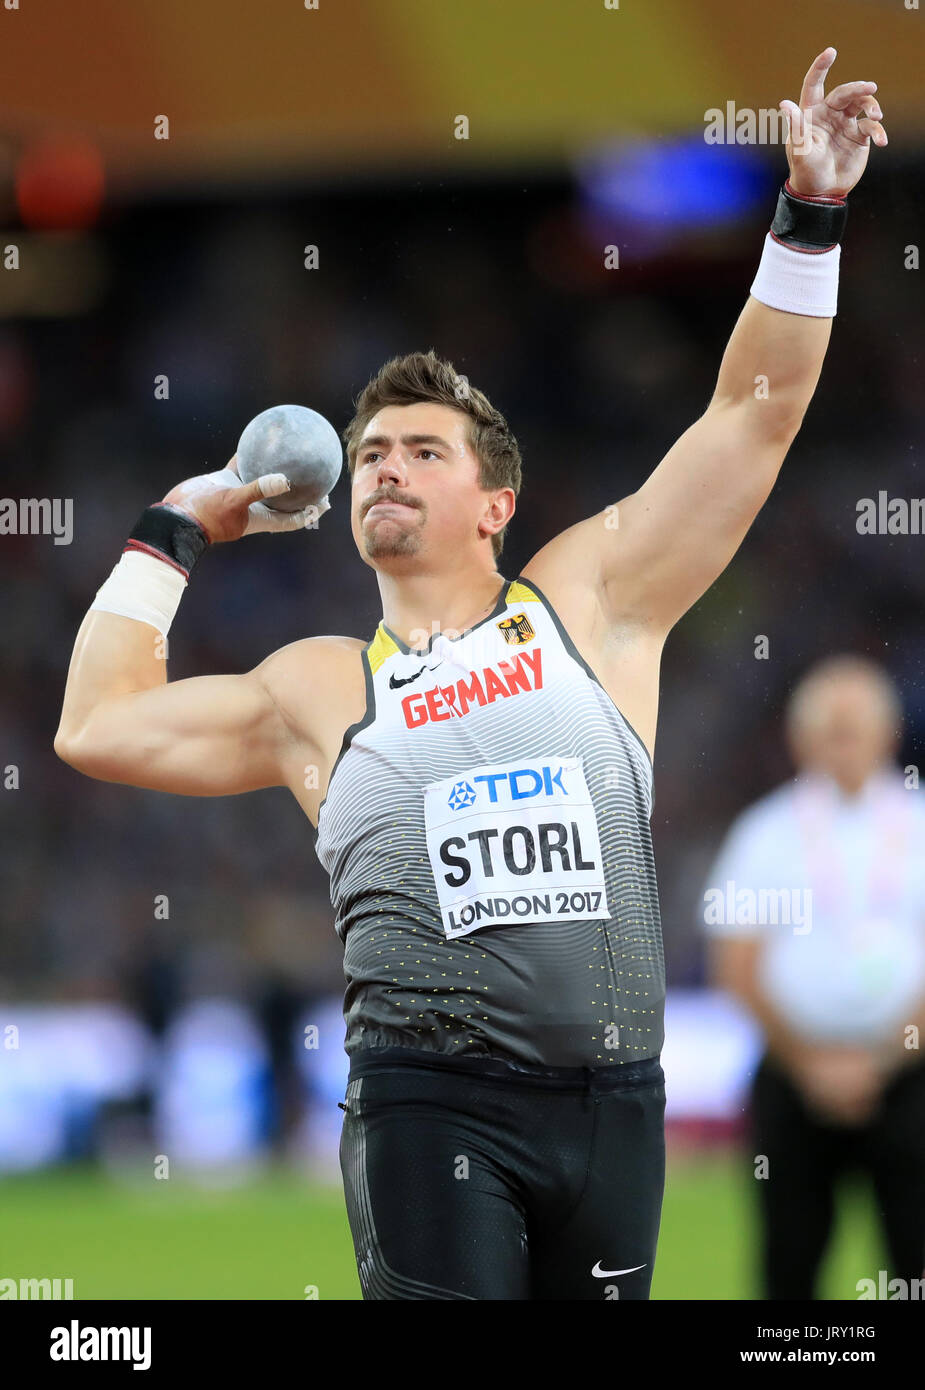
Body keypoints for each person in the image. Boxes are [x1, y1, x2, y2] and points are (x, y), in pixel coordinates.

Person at [55, 50, 888, 1299]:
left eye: (420, 450)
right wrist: (174, 526)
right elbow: (97, 725)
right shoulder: (319, 687)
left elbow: (749, 417)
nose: (384, 465)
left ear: (494, 498)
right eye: (370, 452)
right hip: (427, 1101)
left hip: (612, 1099)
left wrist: (809, 214)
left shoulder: (590, 605)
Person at [703, 656, 925, 1301]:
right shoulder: (766, 832)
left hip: (910, 1079)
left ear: (890, 734)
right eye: (829, 730)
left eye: (854, 729)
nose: (842, 746)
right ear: (800, 739)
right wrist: (812, 1064)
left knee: (916, 1257)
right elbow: (735, 968)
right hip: (792, 1079)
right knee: (788, 1264)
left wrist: (881, 1058)